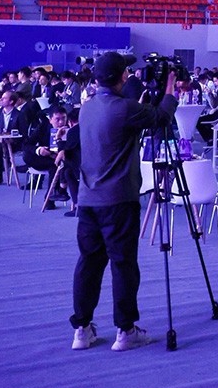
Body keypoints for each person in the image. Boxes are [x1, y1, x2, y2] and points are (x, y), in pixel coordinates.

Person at [69, 51, 178, 353]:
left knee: (89, 264)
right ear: (122, 77)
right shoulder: (125, 109)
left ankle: (82, 329)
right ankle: (126, 330)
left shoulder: (87, 108)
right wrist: (170, 87)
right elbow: (162, 117)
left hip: (88, 200)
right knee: (123, 264)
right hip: (118, 200)